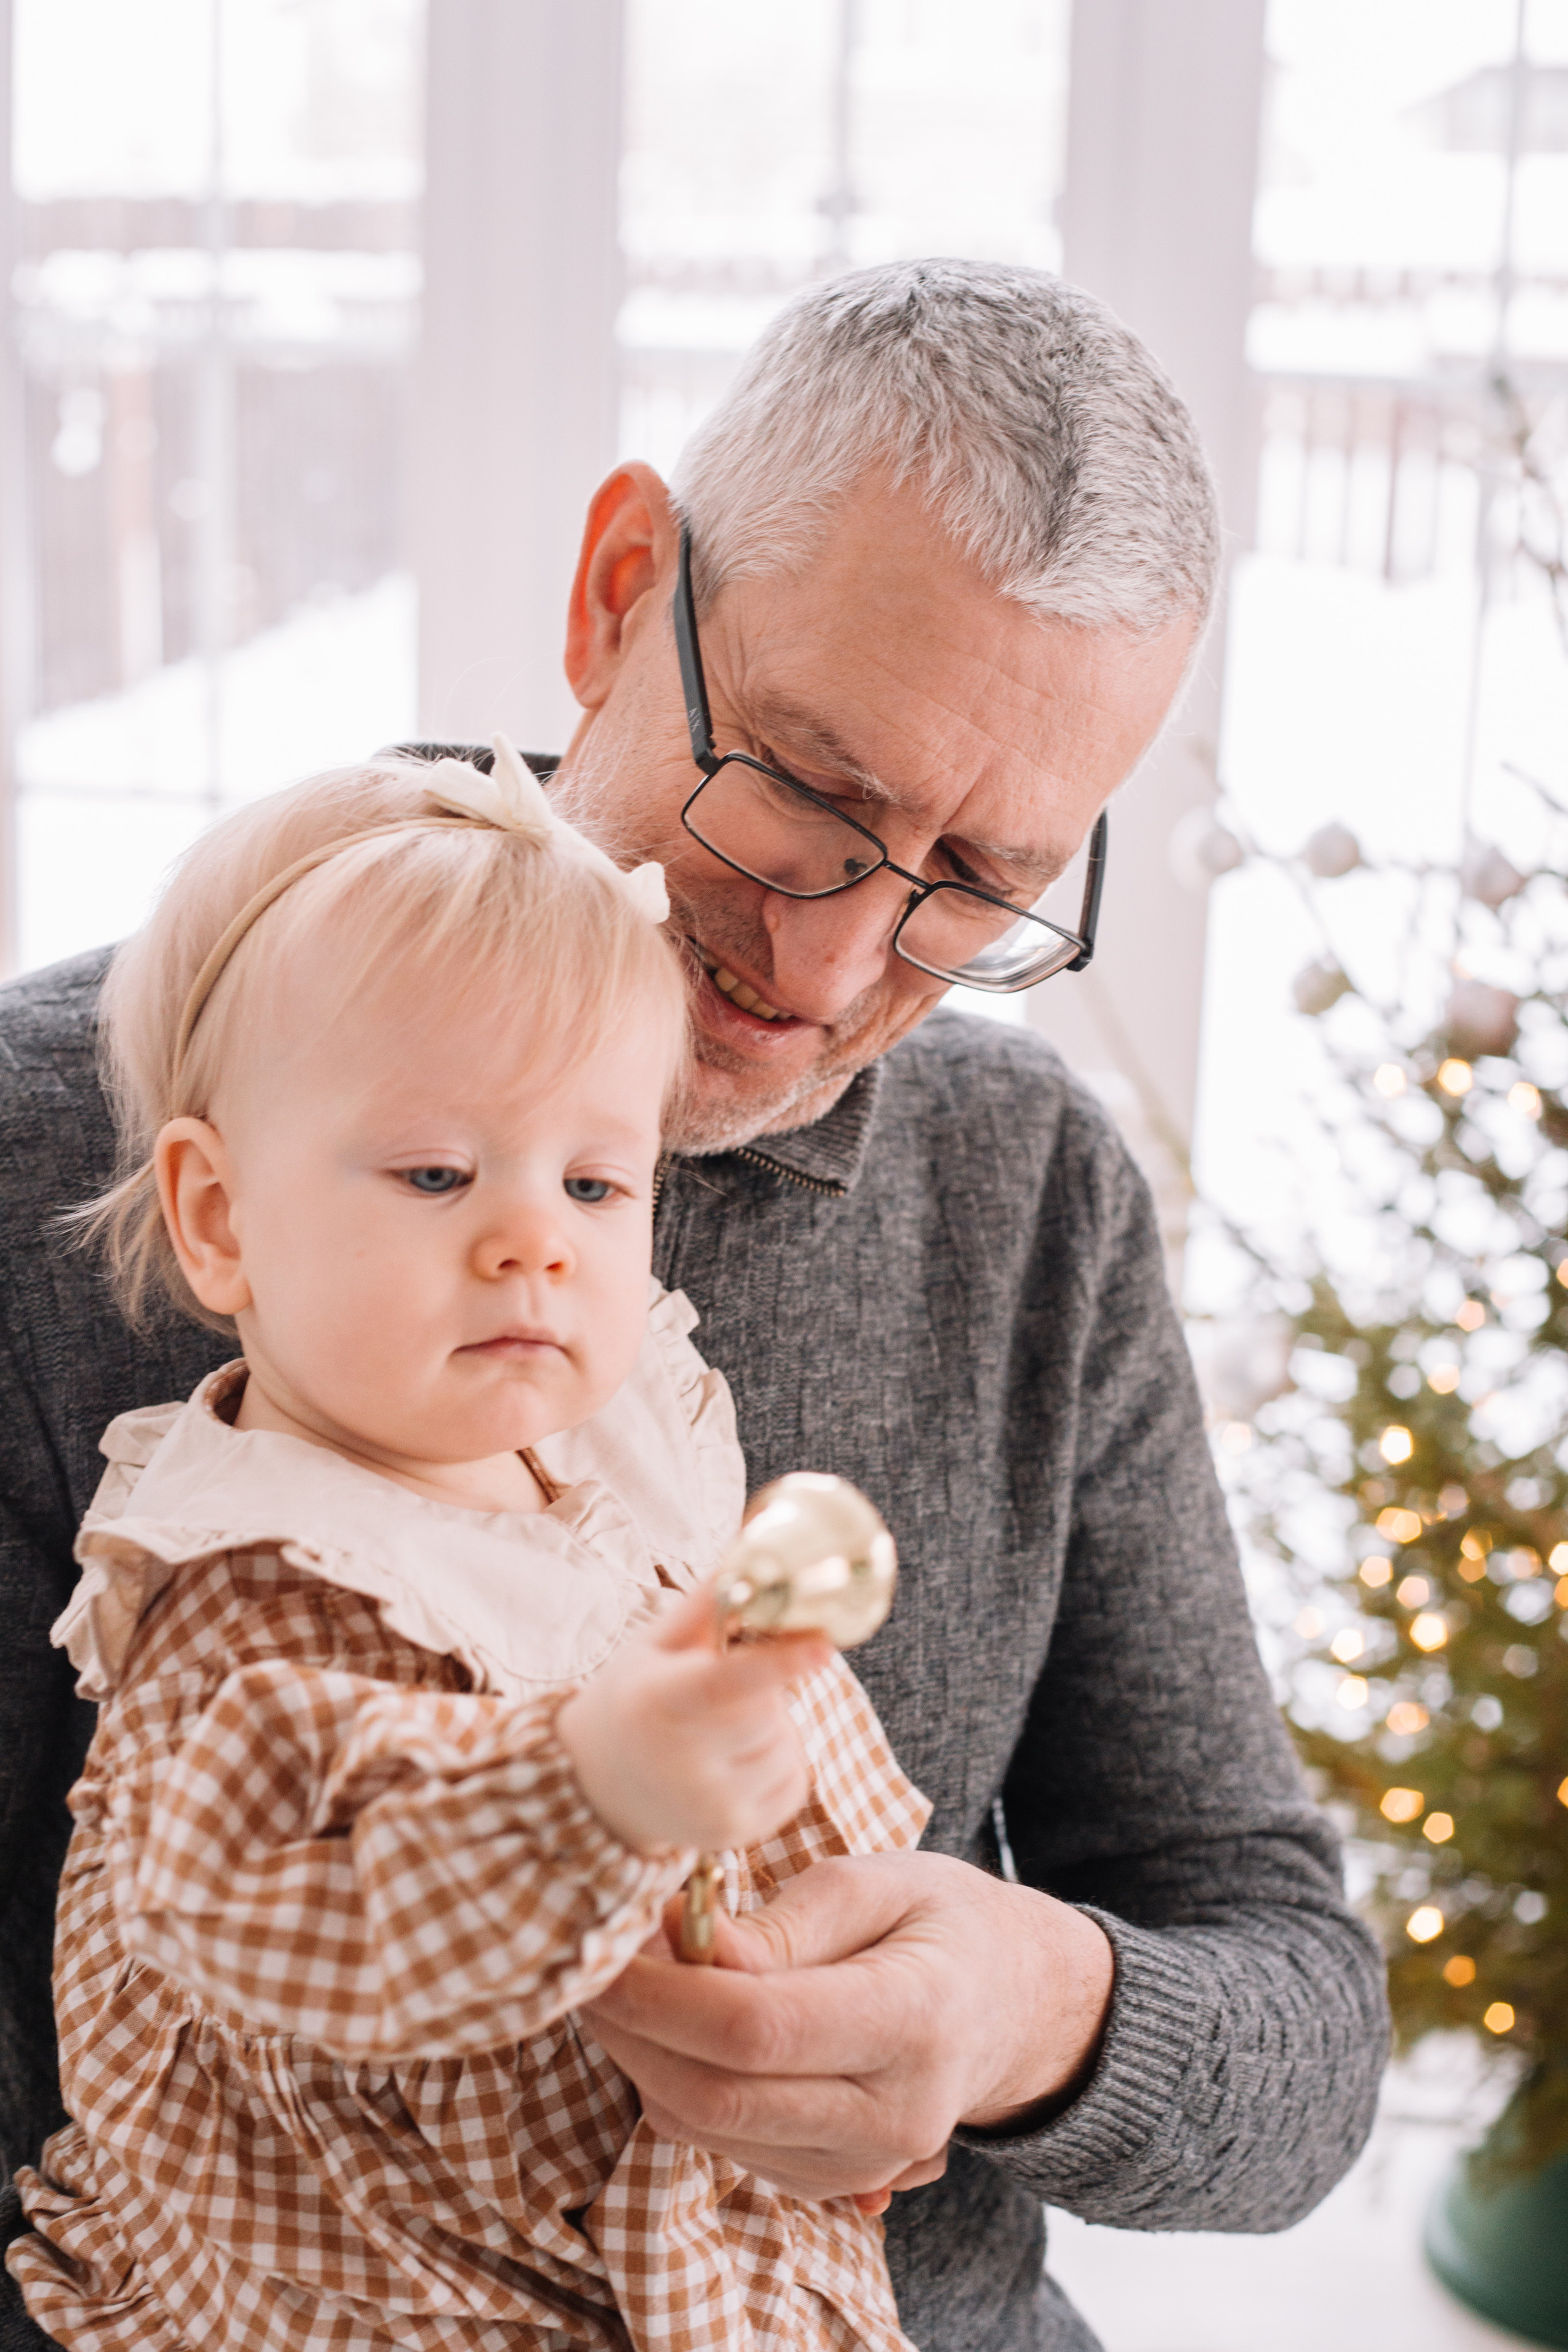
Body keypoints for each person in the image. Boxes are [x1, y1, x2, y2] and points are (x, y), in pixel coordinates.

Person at [0, 262, 1389, 2352]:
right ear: (619, 587)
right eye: (816, 799)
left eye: (984, 881)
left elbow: (1307, 2024)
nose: (834, 975)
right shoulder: (62, 1147)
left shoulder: (1025, 1196)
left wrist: (1035, 2016)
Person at [7, 739, 930, 2352]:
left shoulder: (616, 1464)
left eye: (592, 1179)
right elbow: (310, 1900)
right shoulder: (251, 1575)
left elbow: (808, 1810)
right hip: (376, 2290)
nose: (534, 1240)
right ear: (220, 1218)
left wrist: (849, 2041)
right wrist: (598, 1783)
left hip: (710, 2251)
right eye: (438, 1173)